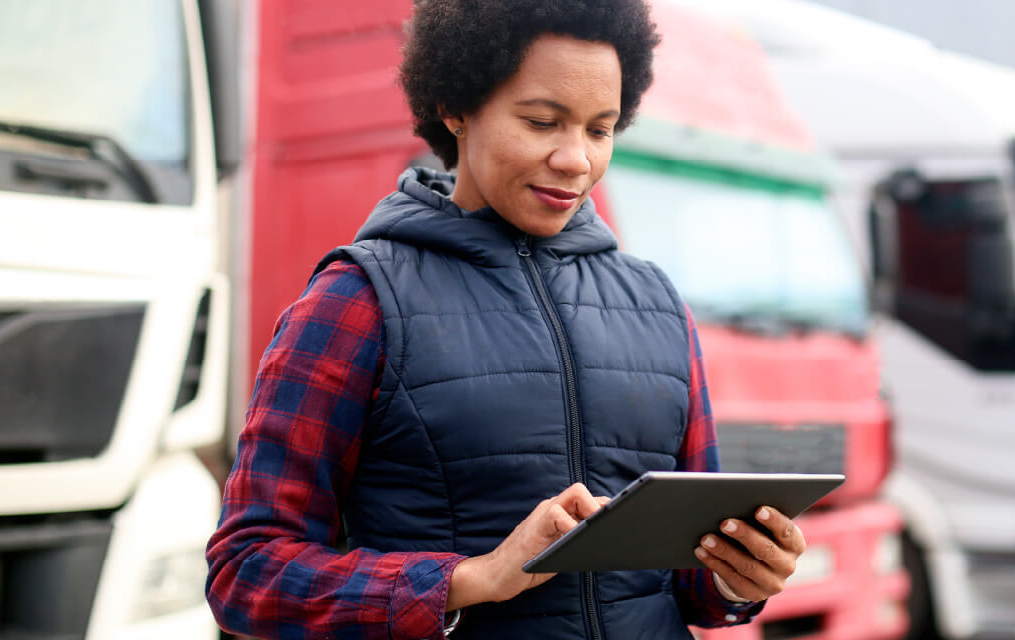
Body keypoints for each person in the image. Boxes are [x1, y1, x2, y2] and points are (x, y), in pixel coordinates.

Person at [204, 1, 807, 638]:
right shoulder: (357, 299)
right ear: (457, 108)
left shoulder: (657, 303)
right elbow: (246, 573)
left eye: (600, 130)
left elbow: (687, 583)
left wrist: (734, 576)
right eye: (543, 122)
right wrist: (474, 579)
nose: (576, 159)